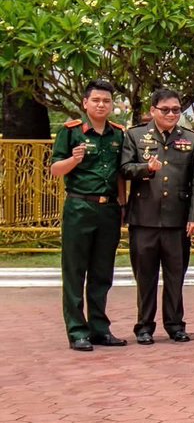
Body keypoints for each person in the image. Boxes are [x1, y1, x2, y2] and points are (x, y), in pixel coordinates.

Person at [51, 79, 127, 351]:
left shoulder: (118, 134)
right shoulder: (71, 132)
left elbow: (120, 174)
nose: (101, 105)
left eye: (106, 101)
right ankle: (77, 331)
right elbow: (55, 169)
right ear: (85, 103)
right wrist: (74, 159)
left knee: (102, 272)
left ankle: (99, 328)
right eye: (96, 100)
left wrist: (123, 206)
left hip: (108, 209)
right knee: (74, 271)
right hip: (79, 206)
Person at [120, 87, 194, 345]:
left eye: (176, 110)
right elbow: (124, 168)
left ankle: (175, 324)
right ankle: (144, 325)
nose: (170, 114)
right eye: (165, 109)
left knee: (176, 275)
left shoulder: (191, 139)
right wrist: (146, 169)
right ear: (153, 110)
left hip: (177, 220)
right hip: (144, 218)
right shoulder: (135, 135)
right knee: (145, 276)